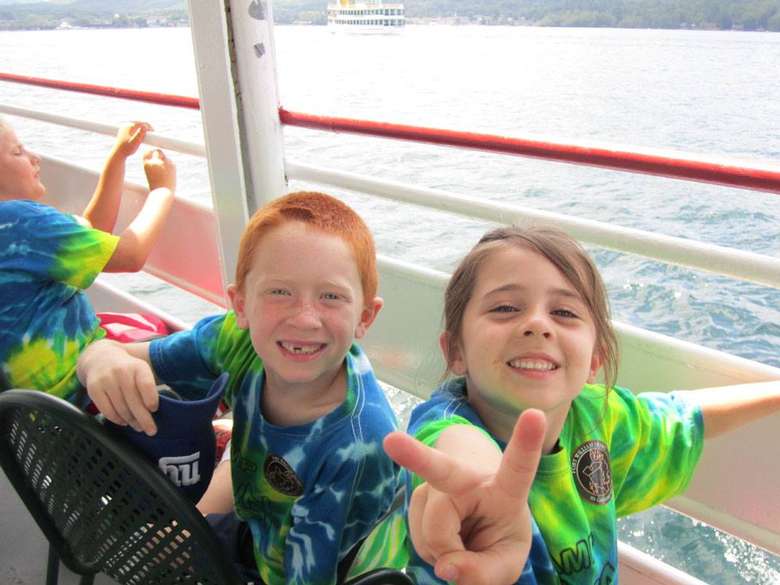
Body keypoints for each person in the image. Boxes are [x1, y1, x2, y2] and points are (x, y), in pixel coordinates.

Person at [382, 225, 780, 585]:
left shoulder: (599, 417)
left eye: (564, 312)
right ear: (456, 352)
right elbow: (458, 452)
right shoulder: (444, 427)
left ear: (594, 361)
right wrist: (479, 485)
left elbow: (681, 416)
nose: (538, 323)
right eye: (505, 308)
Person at [76, 191, 405, 585]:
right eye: (279, 291)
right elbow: (120, 353)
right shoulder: (237, 341)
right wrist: (100, 358)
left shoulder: (359, 445)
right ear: (241, 304)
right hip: (256, 522)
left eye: (330, 296)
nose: (304, 319)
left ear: (365, 316)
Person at [0, 118, 176, 402]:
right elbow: (130, 256)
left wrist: (118, 158)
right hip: (85, 393)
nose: (35, 158)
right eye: (18, 152)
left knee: (150, 329)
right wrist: (162, 190)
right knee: (203, 350)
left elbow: (92, 232)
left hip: (27, 414)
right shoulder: (21, 222)